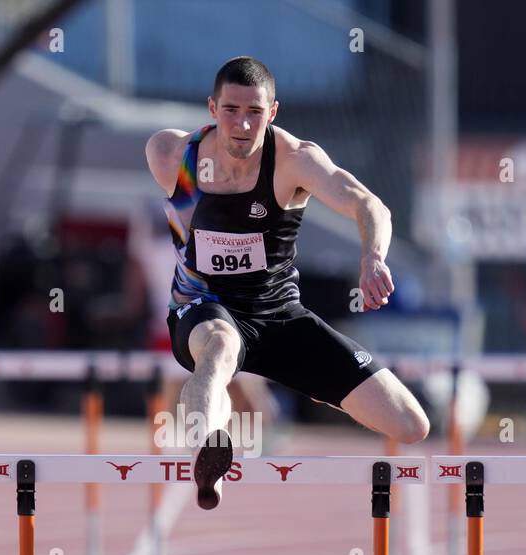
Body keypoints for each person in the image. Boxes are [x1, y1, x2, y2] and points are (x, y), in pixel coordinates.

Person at [145, 56, 429, 508]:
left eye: (254, 112)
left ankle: (322, 387)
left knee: (411, 424)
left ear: (272, 113)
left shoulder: (293, 160)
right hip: (203, 306)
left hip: (278, 315)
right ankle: (209, 449)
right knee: (217, 349)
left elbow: (368, 203)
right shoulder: (172, 155)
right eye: (231, 110)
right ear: (212, 108)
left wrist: (373, 257)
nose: (242, 125)